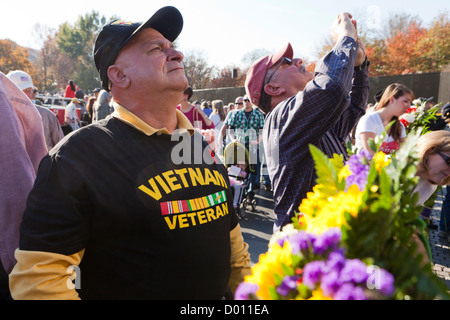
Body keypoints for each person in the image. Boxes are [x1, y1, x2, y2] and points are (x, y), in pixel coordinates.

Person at [9, 6, 251, 300]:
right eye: (156, 49)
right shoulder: (76, 157)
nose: (177, 55)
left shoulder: (195, 144)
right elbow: (40, 281)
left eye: (173, 47)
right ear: (119, 76)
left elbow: (234, 246)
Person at [244, 13, 369, 231]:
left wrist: (359, 65)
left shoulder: (306, 119)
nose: (298, 61)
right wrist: (346, 37)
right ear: (273, 89)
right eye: (286, 62)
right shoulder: (279, 118)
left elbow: (353, 108)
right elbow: (331, 88)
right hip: (305, 252)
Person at [0, 72, 47, 300]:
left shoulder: (43, 113)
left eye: (31, 91)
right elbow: (14, 187)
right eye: (26, 90)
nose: (29, 94)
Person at [6, 70, 64, 152]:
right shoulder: (4, 118)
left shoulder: (47, 115)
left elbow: (62, 148)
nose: (29, 94)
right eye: (23, 91)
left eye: (30, 90)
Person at [355, 83, 412, 155]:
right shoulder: (369, 120)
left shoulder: (399, 125)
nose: (409, 106)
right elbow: (370, 155)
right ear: (392, 100)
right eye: (405, 101)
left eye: (410, 102)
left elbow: (404, 154)